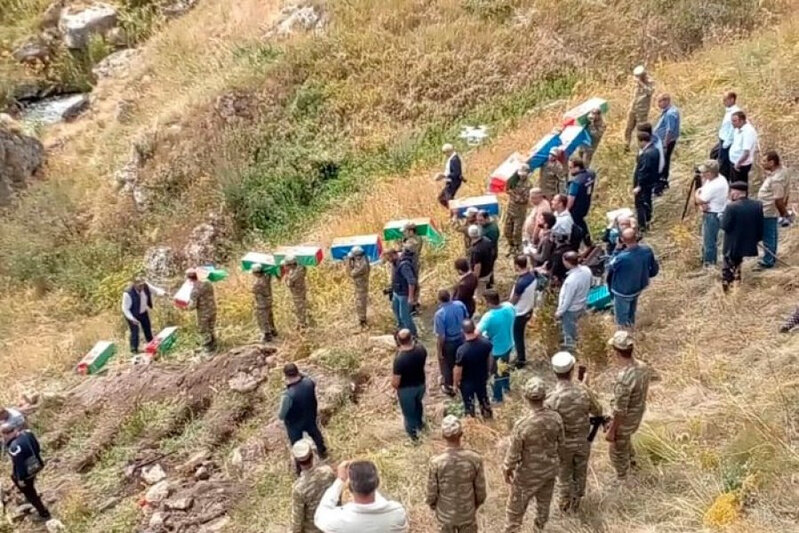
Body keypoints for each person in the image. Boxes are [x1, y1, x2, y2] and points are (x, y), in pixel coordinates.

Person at [502, 378, 564, 533]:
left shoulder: (522, 425)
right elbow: (561, 443)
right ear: (545, 396)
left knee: (514, 514)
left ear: (526, 397)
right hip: (549, 471)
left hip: (527, 475)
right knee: (543, 509)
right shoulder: (556, 418)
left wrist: (507, 469)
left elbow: (513, 454)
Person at [544, 352, 603, 512]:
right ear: (572, 370)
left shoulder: (551, 399)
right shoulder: (583, 391)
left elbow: (547, 427)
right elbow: (598, 411)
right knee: (580, 472)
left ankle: (565, 505)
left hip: (562, 446)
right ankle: (577, 502)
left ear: (555, 372)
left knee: (564, 475)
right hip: (583, 441)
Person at [426, 416, 487, 533]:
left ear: (443, 436)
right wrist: (474, 506)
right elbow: (481, 492)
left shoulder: (436, 462)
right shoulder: (474, 459)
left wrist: (433, 506)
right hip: (467, 514)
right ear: (461, 434)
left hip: (445, 516)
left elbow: (431, 493)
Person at [606, 331, 652, 481]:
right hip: (637, 414)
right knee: (625, 440)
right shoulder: (643, 367)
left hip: (625, 420)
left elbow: (620, 411)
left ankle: (623, 478)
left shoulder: (624, 378)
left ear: (616, 351)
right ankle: (634, 465)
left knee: (616, 451)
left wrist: (612, 431)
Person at [314, 460, 409, 532]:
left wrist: (340, 480)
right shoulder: (397, 512)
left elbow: (319, 515)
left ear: (350, 488)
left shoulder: (339, 520)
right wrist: (365, 477)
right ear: (377, 483)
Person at [607, 228, 659, 328]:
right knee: (631, 311)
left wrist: (617, 249)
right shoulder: (647, 250)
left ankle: (624, 333)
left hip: (622, 291)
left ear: (622, 239)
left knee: (621, 318)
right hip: (638, 286)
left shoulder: (621, 258)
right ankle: (631, 327)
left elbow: (610, 265)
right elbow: (654, 268)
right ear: (636, 237)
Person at [2, 424, 51, 522]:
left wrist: (20, 479)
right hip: (37, 463)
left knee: (29, 492)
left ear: (6, 434)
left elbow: (19, 464)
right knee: (14, 477)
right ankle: (31, 498)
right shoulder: (27, 433)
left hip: (26, 472)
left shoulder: (14, 447)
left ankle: (43, 513)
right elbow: (37, 447)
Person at [720, 182, 764, 291]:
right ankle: (737, 285)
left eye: (731, 191)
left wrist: (721, 216)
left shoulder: (731, 207)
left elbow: (724, 226)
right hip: (749, 242)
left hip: (732, 244)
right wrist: (756, 239)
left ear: (736, 192)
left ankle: (727, 290)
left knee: (728, 268)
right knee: (738, 265)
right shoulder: (757, 205)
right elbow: (760, 225)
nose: (730, 194)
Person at [278, 363, 328, 459]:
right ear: (298, 372)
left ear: (286, 376)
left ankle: (301, 462)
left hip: (294, 424)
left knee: (297, 444)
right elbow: (307, 378)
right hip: (310, 417)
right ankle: (323, 452)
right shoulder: (309, 383)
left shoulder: (287, 395)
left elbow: (281, 416)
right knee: (315, 433)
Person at [477, 290, 515, 404]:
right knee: (505, 367)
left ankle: (497, 397)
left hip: (496, 349)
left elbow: (476, 333)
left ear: (488, 302)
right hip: (509, 343)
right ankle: (506, 387)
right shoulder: (509, 307)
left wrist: (485, 337)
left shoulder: (489, 317)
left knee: (496, 373)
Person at [291, 440, 336, 533]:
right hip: (332, 523)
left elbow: (297, 519)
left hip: (315, 529)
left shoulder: (299, 488)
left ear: (296, 462)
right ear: (312, 456)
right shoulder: (328, 472)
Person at [391, 329, 427, 441]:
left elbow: (396, 382)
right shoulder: (421, 349)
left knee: (409, 414)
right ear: (411, 337)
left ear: (398, 341)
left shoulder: (399, 359)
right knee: (418, 405)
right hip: (421, 385)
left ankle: (414, 438)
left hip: (406, 390)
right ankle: (420, 425)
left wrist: (394, 386)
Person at [454, 319, 493, 419]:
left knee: (469, 404)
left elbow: (458, 370)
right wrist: (488, 371)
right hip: (482, 378)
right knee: (484, 400)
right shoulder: (486, 343)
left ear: (462, 331)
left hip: (467, 382)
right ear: (474, 328)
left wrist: (455, 383)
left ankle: (471, 422)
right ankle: (488, 418)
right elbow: (490, 358)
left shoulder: (462, 350)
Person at [757, 151, 789, 269]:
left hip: (768, 211)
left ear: (771, 162)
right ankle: (771, 257)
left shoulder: (776, 180)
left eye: (764, 161)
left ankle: (768, 260)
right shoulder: (782, 170)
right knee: (772, 234)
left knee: (768, 236)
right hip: (769, 209)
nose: (762, 163)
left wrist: (784, 214)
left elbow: (778, 199)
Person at [694, 160, 729, 267]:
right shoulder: (718, 179)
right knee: (708, 240)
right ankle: (706, 259)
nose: (702, 174)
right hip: (713, 212)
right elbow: (703, 194)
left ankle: (709, 264)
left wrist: (696, 193)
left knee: (709, 241)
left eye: (704, 172)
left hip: (712, 215)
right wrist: (702, 200)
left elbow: (699, 200)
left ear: (710, 173)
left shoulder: (715, 185)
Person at [433, 289, 469, 396]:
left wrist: (439, 350)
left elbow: (441, 336)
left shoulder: (439, 314)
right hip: (462, 338)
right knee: (462, 360)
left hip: (449, 342)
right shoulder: (460, 305)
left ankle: (450, 386)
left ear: (439, 300)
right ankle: (463, 380)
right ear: (450, 297)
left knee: (448, 364)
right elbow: (467, 319)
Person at [555, 252, 592, 348]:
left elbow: (567, 300)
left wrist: (559, 312)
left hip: (571, 309)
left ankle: (571, 351)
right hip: (582, 304)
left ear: (567, 262)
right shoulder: (586, 270)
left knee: (569, 334)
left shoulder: (571, 281)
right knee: (579, 329)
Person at [121, 276, 165, 354]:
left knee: (147, 328)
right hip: (132, 314)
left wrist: (162, 293)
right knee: (135, 331)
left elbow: (155, 290)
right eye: (139, 285)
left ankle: (152, 346)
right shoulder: (128, 293)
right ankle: (134, 350)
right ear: (134, 284)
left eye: (142, 285)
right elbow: (125, 309)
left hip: (143, 312)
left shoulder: (146, 286)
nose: (141, 287)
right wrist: (132, 319)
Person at [509, 256, 538, 368]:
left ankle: (521, 360)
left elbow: (514, 301)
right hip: (528, 309)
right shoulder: (532, 277)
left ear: (517, 265)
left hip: (519, 313)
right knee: (519, 335)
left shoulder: (521, 283)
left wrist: (506, 306)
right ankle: (519, 356)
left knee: (518, 337)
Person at [384, 249, 418, 337]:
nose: (388, 261)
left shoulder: (404, 265)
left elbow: (411, 282)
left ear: (393, 255)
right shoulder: (395, 263)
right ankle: (402, 330)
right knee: (396, 311)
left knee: (405, 316)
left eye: (388, 259)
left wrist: (411, 297)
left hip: (404, 295)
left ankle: (412, 335)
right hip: (397, 293)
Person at [653, 93, 680, 194]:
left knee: (663, 162)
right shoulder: (671, 111)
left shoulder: (670, 114)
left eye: (660, 101)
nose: (658, 104)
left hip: (666, 142)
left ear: (667, 101)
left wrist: (665, 144)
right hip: (664, 141)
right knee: (664, 161)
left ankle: (661, 184)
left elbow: (670, 130)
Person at [633, 131, 660, 231]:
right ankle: (648, 219)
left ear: (643, 141)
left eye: (638, 142)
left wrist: (639, 185)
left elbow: (643, 171)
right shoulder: (655, 150)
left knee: (640, 204)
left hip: (644, 183)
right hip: (650, 182)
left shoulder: (646, 154)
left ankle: (642, 226)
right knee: (647, 200)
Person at [623, 65, 655, 150]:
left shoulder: (650, 82)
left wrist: (641, 83)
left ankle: (641, 148)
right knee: (628, 128)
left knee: (640, 130)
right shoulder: (635, 83)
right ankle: (626, 145)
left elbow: (650, 92)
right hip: (633, 109)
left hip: (642, 110)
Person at [566, 157, 596, 246]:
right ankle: (588, 241)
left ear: (577, 167)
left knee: (576, 226)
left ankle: (575, 245)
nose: (569, 170)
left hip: (576, 207)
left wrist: (566, 210)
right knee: (581, 222)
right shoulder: (590, 174)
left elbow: (571, 198)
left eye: (570, 168)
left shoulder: (575, 182)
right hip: (586, 203)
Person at [186, 268, 217, 354]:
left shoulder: (195, 290)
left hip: (203, 313)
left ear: (189, 279)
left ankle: (208, 348)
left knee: (204, 330)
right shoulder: (208, 283)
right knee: (211, 327)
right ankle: (214, 343)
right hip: (213, 308)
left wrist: (185, 307)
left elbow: (192, 306)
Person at [505, 164, 533, 256]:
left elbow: (523, 200)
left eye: (523, 175)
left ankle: (518, 248)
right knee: (507, 231)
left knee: (516, 232)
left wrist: (513, 194)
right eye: (520, 174)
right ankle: (511, 247)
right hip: (510, 210)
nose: (521, 176)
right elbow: (507, 189)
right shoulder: (514, 180)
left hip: (519, 212)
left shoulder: (528, 185)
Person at [712, 91, 741, 179]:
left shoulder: (735, 112)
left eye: (725, 100)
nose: (723, 102)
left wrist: (726, 144)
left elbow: (733, 129)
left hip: (727, 142)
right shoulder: (729, 111)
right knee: (715, 156)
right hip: (723, 140)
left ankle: (724, 180)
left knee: (724, 164)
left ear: (732, 100)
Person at [729, 111, 758, 184]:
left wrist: (738, 164)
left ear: (741, 121)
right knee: (734, 184)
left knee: (739, 185)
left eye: (734, 121)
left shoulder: (748, 132)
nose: (732, 123)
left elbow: (746, 152)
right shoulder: (738, 129)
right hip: (734, 161)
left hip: (741, 165)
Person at [467, 225, 495, 301]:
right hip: (488, 270)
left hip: (481, 276)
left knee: (478, 295)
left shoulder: (476, 250)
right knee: (484, 287)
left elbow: (477, 266)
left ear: (470, 235)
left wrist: (475, 279)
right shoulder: (487, 240)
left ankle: (481, 302)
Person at [251, 264, 277, 343]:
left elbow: (253, 290)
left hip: (261, 303)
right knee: (269, 317)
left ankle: (267, 334)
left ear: (256, 273)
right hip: (268, 301)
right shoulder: (266, 277)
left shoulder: (258, 283)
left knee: (262, 319)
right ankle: (273, 330)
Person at [346, 246, 370, 327]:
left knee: (361, 303)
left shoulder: (362, 265)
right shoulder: (362, 259)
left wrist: (348, 261)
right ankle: (362, 319)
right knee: (359, 302)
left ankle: (362, 320)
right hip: (360, 285)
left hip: (361, 287)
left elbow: (350, 273)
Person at [284, 255, 310, 328]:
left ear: (291, 264)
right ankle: (302, 322)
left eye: (287, 265)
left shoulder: (295, 274)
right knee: (302, 306)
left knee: (299, 309)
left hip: (297, 293)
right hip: (302, 290)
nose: (287, 266)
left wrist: (286, 277)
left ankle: (302, 324)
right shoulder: (301, 267)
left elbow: (289, 284)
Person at [436, 143, 464, 208]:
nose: (444, 154)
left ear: (448, 151)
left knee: (446, 199)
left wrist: (443, 175)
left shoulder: (454, 159)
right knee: (443, 198)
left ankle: (456, 209)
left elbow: (456, 173)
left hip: (454, 182)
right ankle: (455, 209)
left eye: (444, 152)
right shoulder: (452, 158)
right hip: (451, 182)